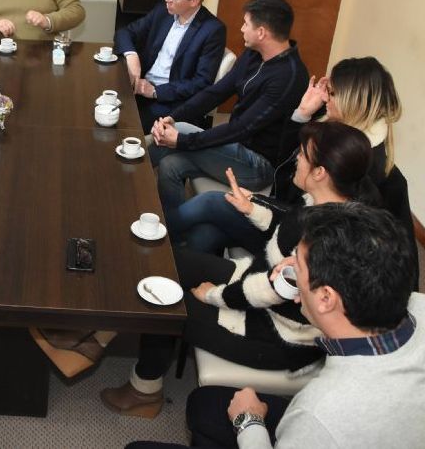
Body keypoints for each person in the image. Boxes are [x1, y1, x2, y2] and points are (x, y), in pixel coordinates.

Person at [100, 122, 380, 419]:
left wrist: (214, 296)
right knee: (167, 262)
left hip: (274, 336)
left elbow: (267, 292)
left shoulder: (325, 234)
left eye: (302, 155)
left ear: (320, 173)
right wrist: (252, 210)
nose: (296, 158)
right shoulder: (328, 205)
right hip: (256, 284)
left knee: (164, 305)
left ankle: (144, 391)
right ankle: (98, 338)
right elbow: (283, 231)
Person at [124, 202, 424, 449]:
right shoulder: (417, 304)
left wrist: (249, 421)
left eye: (297, 268)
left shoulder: (321, 414)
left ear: (325, 298)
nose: (281, 268)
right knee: (204, 405)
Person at [174, 56, 407, 257]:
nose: (325, 98)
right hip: (286, 215)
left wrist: (258, 203)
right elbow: (286, 168)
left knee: (211, 202)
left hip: (296, 239)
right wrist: (303, 114)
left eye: (332, 92)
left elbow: (302, 212)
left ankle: (157, 233)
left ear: (352, 100)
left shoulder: (361, 163)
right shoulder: (338, 132)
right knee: (204, 236)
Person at [150, 0, 308, 235]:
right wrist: (173, 116)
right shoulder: (254, 55)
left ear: (262, 32)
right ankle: (174, 233)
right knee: (171, 164)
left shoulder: (289, 76)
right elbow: (217, 92)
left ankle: (127, 169)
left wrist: (182, 139)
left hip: (259, 165)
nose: (242, 29)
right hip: (235, 149)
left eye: (246, 24)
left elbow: (242, 128)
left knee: (181, 132)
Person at [114, 0, 226, 133]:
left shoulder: (212, 30)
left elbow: (201, 82)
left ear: (194, 1)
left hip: (171, 100)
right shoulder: (163, 12)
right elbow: (125, 32)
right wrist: (131, 55)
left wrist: (155, 92)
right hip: (140, 85)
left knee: (124, 125)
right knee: (103, 104)